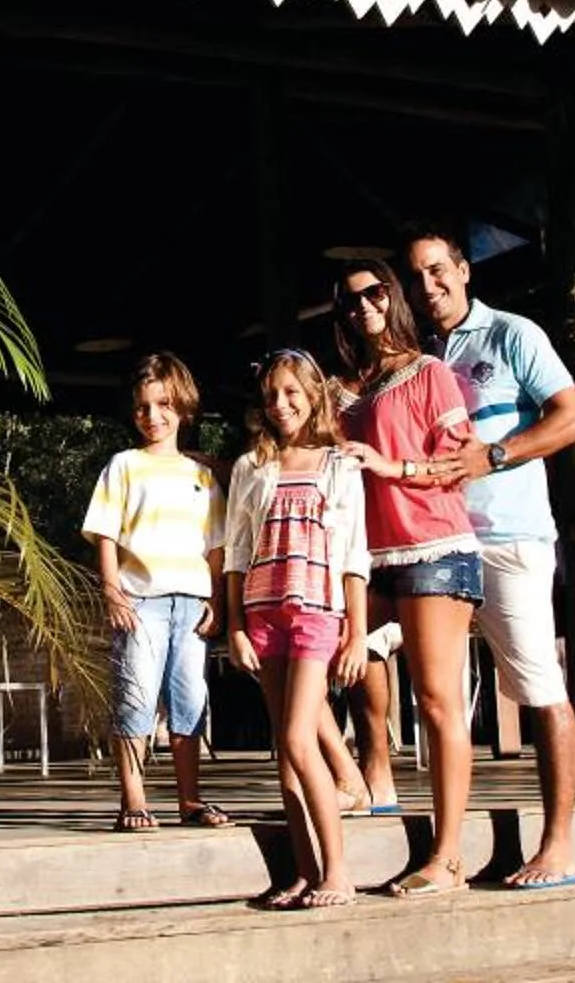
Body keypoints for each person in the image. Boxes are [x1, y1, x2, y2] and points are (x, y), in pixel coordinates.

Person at [401, 228, 575, 888]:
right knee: (436, 695)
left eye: (437, 271)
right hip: (438, 541)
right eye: (416, 277)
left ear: (463, 270)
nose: (428, 287)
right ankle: (441, 849)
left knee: (540, 686)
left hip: (510, 536)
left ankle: (559, 843)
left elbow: (574, 418)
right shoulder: (416, 355)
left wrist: (493, 454)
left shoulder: (513, 334)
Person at [330, 259, 482, 897]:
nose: (362, 306)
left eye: (373, 293)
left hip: (432, 547)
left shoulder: (430, 372)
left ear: (394, 298)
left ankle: (447, 859)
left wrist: (388, 466)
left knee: (439, 700)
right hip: (369, 559)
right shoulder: (351, 390)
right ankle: (360, 780)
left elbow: (460, 465)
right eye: (348, 302)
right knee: (330, 656)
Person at [222, 349, 371, 909]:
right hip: (263, 611)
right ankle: (305, 871)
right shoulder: (250, 467)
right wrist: (235, 626)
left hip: (316, 610)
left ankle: (339, 870)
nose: (281, 405)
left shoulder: (338, 465)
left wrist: (356, 632)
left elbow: (354, 553)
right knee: (284, 751)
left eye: (292, 394)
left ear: (312, 398)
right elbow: (237, 552)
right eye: (272, 396)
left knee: (297, 736)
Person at [81, 351, 231, 831]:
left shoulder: (201, 476)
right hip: (139, 601)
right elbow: (106, 532)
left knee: (189, 700)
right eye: (144, 407)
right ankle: (134, 800)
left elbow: (217, 546)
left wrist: (218, 600)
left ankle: (191, 800)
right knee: (137, 696)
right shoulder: (123, 465)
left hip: (191, 604)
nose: (154, 416)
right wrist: (112, 591)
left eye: (164, 405)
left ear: (182, 408)